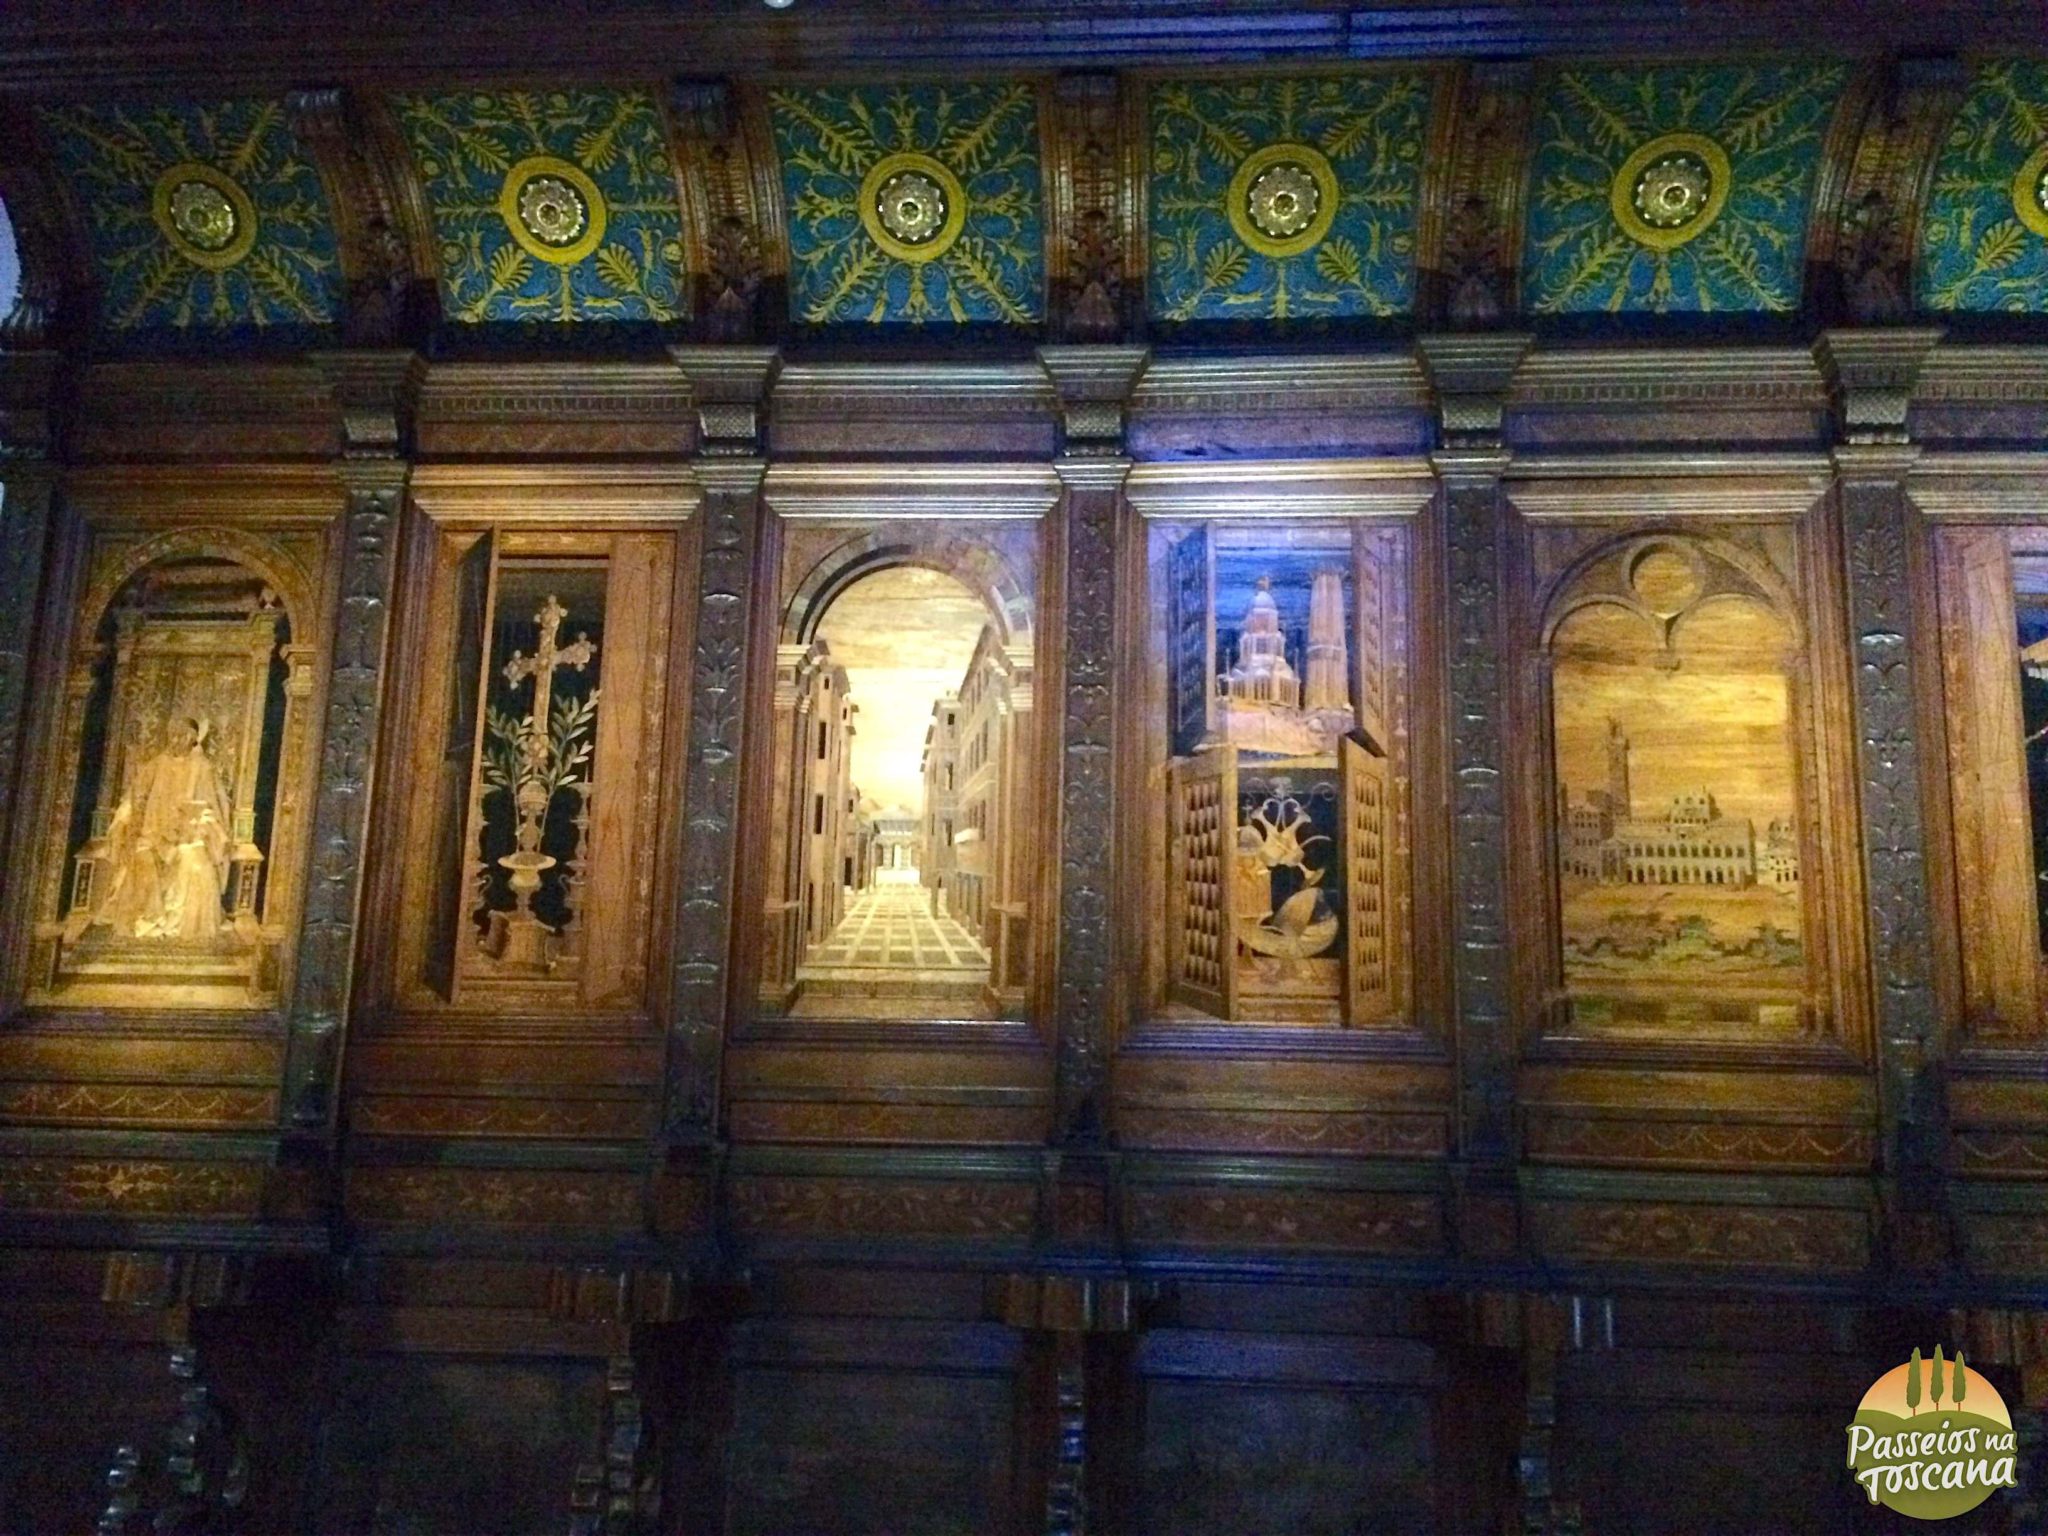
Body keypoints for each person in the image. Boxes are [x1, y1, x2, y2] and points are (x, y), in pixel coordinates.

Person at [96, 716, 234, 939]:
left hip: (189, 838)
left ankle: (179, 926)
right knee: (142, 859)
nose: (175, 740)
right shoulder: (157, 764)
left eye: (181, 736)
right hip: (152, 836)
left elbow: (213, 810)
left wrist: (197, 824)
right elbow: (135, 796)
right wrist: (126, 818)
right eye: (172, 735)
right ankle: (152, 920)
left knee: (194, 864)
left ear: (193, 739)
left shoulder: (202, 768)